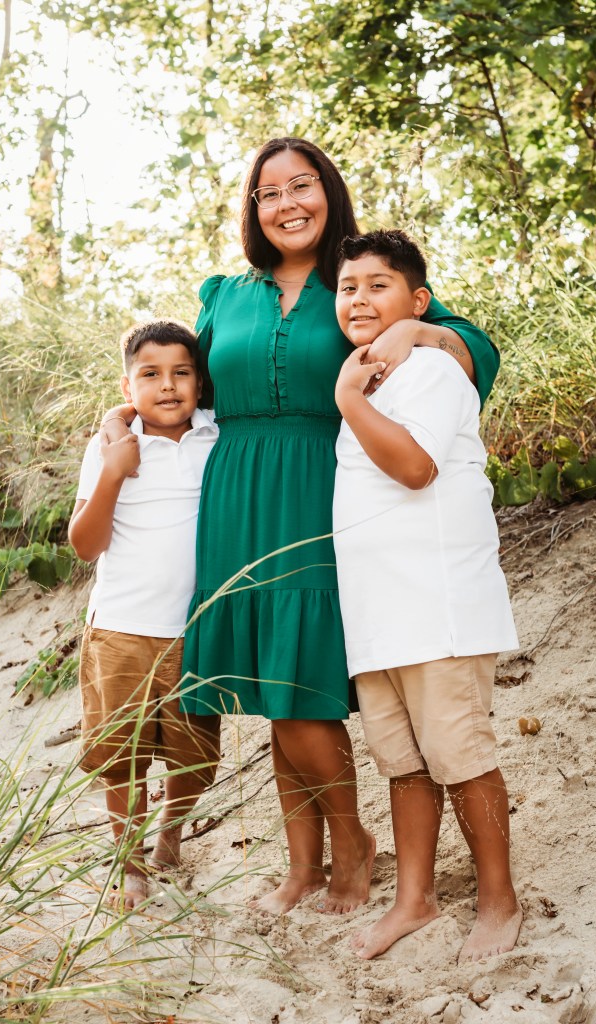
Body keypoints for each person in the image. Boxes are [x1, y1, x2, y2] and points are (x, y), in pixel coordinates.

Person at [102, 137, 501, 916]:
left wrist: (416, 333)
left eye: (301, 186)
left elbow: (474, 349)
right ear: (252, 209)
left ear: (329, 192)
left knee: (301, 691)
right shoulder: (224, 291)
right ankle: (301, 864)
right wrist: (121, 413)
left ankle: (351, 847)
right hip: (234, 498)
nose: (286, 204)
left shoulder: (357, 280)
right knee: (267, 691)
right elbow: (175, 378)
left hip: (322, 491)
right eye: (267, 193)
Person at [332, 229, 521, 962]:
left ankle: (498, 898)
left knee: (459, 754)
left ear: (418, 301)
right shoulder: (372, 378)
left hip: (438, 608)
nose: (359, 298)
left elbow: (413, 468)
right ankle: (413, 899)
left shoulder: (435, 372)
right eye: (348, 287)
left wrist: (348, 397)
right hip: (378, 615)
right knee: (403, 764)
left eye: (378, 285)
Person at [69, 320, 220, 909]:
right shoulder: (109, 446)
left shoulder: (216, 434)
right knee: (121, 756)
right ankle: (128, 864)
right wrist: (113, 466)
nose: (167, 386)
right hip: (122, 628)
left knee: (192, 752)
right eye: (150, 375)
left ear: (202, 383)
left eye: (182, 373)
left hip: (196, 628)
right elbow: (85, 544)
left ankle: (170, 837)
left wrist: (116, 417)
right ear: (128, 387)